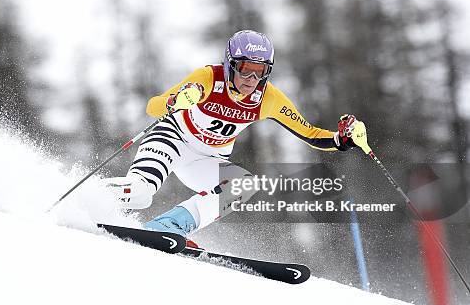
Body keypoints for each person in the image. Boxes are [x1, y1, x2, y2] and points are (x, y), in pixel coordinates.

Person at [104, 30, 364, 244]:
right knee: (140, 192)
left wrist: (342, 139)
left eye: (260, 71)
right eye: (245, 69)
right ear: (230, 65)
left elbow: (310, 134)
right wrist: (175, 101)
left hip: (206, 159)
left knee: (243, 186)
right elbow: (153, 106)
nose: (251, 79)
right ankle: (91, 202)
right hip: (172, 139)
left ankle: (168, 226)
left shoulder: (268, 98)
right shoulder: (208, 78)